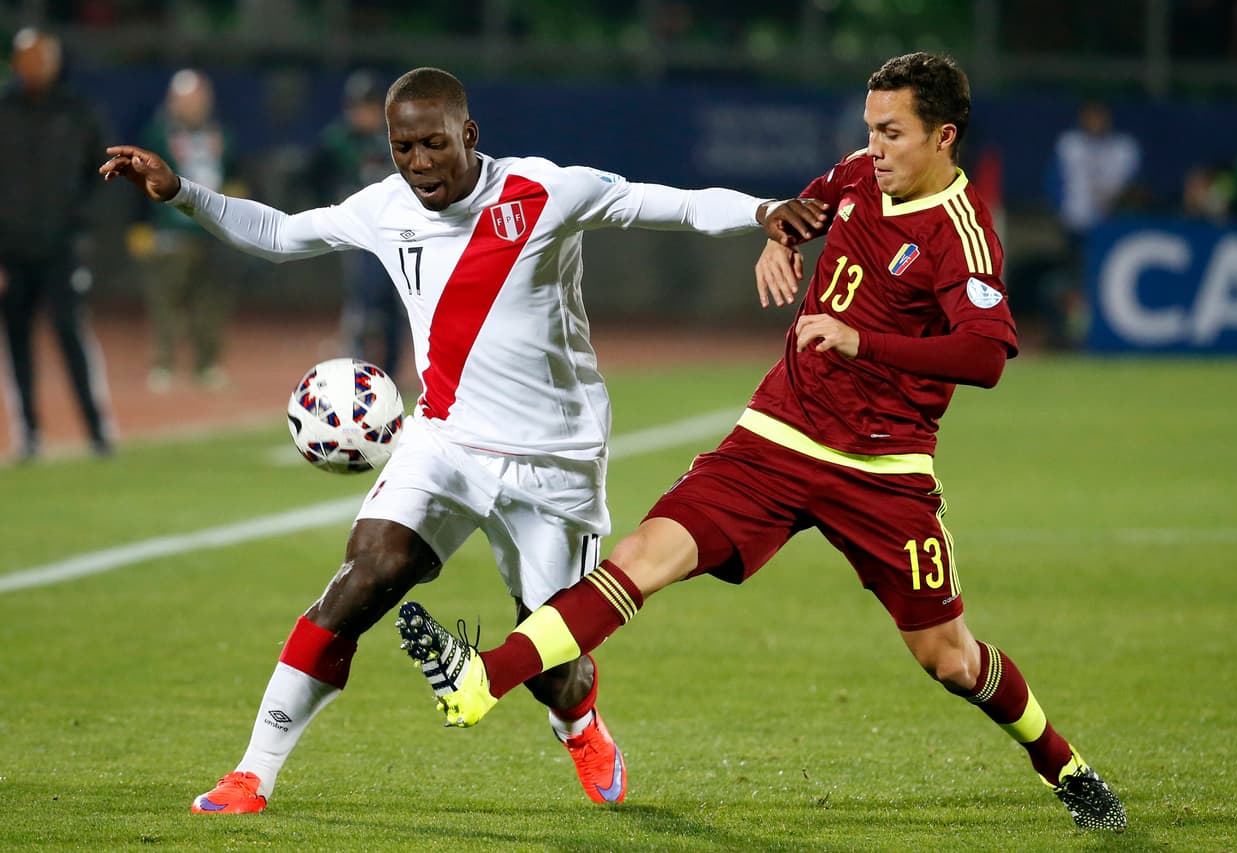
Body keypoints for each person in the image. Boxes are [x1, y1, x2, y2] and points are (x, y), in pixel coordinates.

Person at [396, 52, 1128, 833]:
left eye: (892, 133)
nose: (873, 148)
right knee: (644, 553)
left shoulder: (962, 233)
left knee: (949, 657)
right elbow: (802, 208)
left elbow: (986, 353)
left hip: (881, 469)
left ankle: (1065, 765)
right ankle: (483, 680)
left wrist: (861, 339)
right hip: (776, 436)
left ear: (944, 136)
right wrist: (779, 239)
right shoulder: (855, 176)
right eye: (869, 129)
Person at [100, 66, 822, 813]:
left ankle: (578, 721)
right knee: (365, 574)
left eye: (433, 144)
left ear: (468, 135)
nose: (417, 164)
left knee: (552, 661)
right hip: (444, 440)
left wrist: (764, 209)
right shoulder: (384, 206)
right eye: (402, 147)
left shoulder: (544, 192)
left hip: (557, 458)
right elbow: (282, 233)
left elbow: (667, 204)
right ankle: (253, 770)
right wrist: (182, 193)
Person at [0, 27, 115, 460]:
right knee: (16, 342)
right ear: (16, 63)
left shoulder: (78, 112)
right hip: (10, 252)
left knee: (71, 334)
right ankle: (29, 433)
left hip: (60, 247)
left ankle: (97, 429)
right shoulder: (3, 112)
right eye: (29, 58)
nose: (37, 66)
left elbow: (105, 174)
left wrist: (82, 226)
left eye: (43, 58)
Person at [136, 69, 240, 392]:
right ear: (173, 101)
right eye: (188, 99)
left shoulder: (223, 134)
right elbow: (137, 180)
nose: (195, 105)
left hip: (211, 230)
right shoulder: (156, 135)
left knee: (210, 302)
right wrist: (139, 225)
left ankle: (206, 364)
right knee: (165, 302)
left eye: (199, 98)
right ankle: (163, 365)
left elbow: (235, 175)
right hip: (170, 230)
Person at [311, 70, 409, 380]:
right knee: (364, 301)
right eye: (357, 105)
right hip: (360, 236)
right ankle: (359, 369)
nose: (361, 112)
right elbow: (315, 176)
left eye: (368, 105)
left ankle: (392, 372)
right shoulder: (337, 140)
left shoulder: (397, 138)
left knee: (398, 303)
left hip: (400, 233)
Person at [1044, 100, 1142, 348]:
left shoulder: (1123, 149)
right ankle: (1070, 336)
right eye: (1091, 117)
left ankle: (1101, 335)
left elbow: (1136, 190)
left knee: (1103, 284)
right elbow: (1054, 182)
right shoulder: (1070, 145)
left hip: (1112, 230)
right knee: (1073, 285)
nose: (1096, 123)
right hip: (1076, 227)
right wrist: (1060, 210)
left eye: (1100, 117)